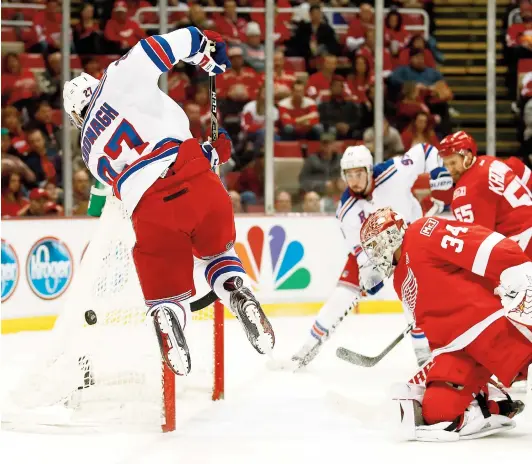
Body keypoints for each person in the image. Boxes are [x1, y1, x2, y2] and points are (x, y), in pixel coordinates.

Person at [63, 26, 274, 377]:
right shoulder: (116, 78)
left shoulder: (88, 149)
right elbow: (159, 47)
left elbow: (140, 168)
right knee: (219, 255)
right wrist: (204, 47)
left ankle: (167, 314)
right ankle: (237, 291)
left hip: (148, 209)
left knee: (167, 296)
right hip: (196, 179)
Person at [359, 207, 531, 441]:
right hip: (455, 350)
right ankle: (494, 407)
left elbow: (479, 244)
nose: (375, 255)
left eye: (375, 246)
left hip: (489, 326)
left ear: (391, 235)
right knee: (438, 412)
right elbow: (435, 331)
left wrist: (518, 270)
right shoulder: (399, 281)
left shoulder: (421, 232)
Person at [291, 143, 453, 368]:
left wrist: (437, 171)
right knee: (342, 294)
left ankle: (422, 350)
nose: (354, 180)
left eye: (359, 173)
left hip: (411, 238)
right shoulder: (346, 211)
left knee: (411, 291)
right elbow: (359, 251)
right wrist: (369, 272)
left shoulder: (392, 172)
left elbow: (425, 151)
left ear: (369, 170)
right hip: (375, 248)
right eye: (349, 175)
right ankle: (308, 346)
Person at [438, 131, 532, 258]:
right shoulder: (490, 161)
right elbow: (523, 171)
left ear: (468, 156)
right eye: (446, 164)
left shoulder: (466, 192)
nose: (449, 170)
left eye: (453, 163)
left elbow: (478, 244)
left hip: (523, 243)